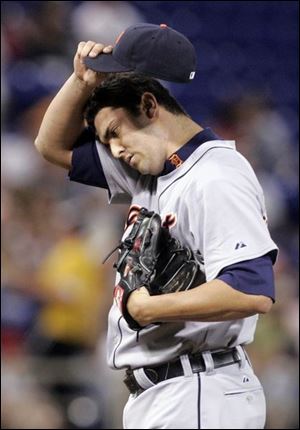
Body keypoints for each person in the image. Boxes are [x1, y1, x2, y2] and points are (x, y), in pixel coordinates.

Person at [35, 23, 278, 430]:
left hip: (199, 389)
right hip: (168, 392)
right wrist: (82, 81)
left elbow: (251, 289)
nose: (114, 150)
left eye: (115, 133)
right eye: (105, 141)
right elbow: (51, 146)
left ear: (149, 106)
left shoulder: (215, 176)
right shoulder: (151, 172)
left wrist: (147, 307)